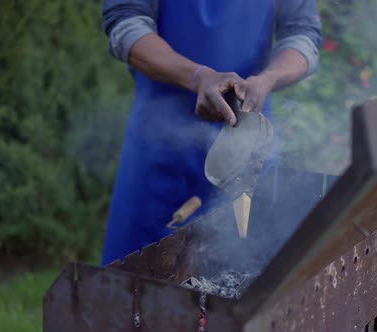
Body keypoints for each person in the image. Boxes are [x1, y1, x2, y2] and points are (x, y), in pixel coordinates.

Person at [100, 0, 323, 265]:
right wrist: (197, 77)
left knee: (250, 276)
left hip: (250, 144)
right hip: (159, 147)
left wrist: (269, 79)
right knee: (140, 284)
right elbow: (125, 24)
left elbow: (303, 34)